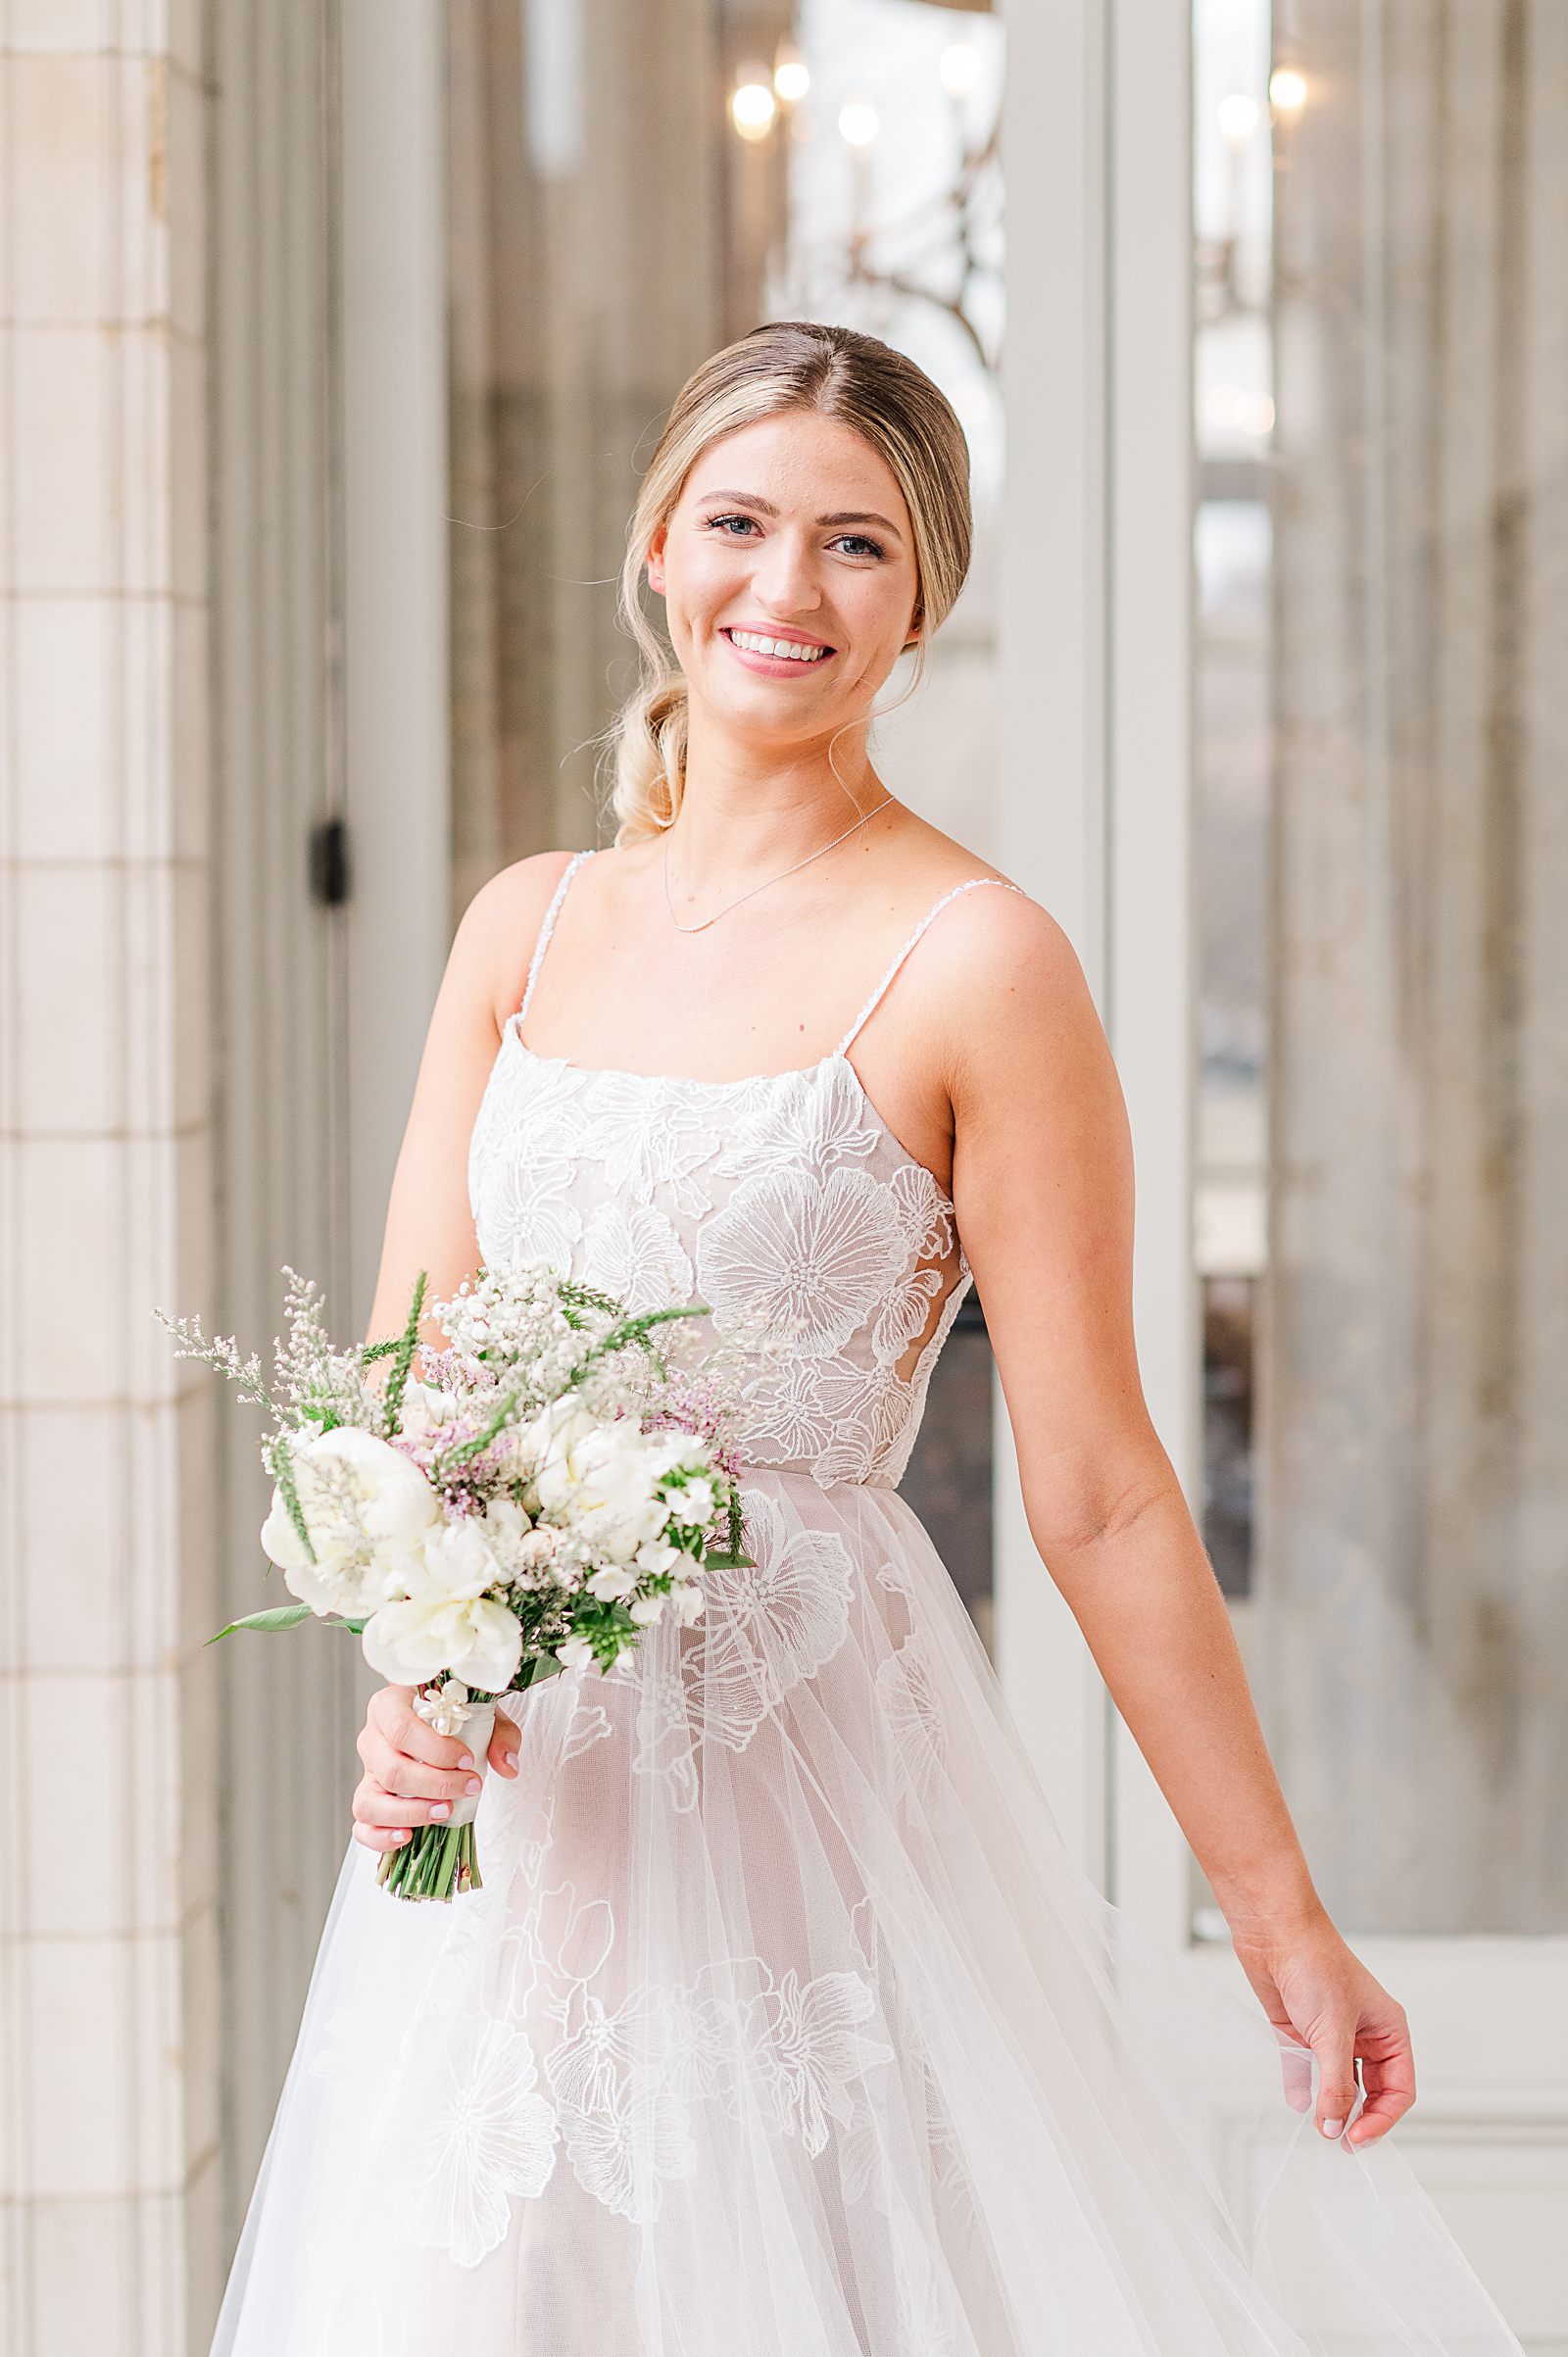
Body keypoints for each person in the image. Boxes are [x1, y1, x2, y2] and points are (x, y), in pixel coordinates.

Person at [210, 320, 1525, 2353]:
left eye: (855, 546)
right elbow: (412, 1398)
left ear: (919, 601)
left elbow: (1091, 1490)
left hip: (804, 1783)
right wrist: (415, 1683)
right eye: (739, 523)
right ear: (659, 543)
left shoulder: (976, 961)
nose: (785, 589)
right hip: (531, 1807)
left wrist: (1274, 1913)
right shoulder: (523, 925)